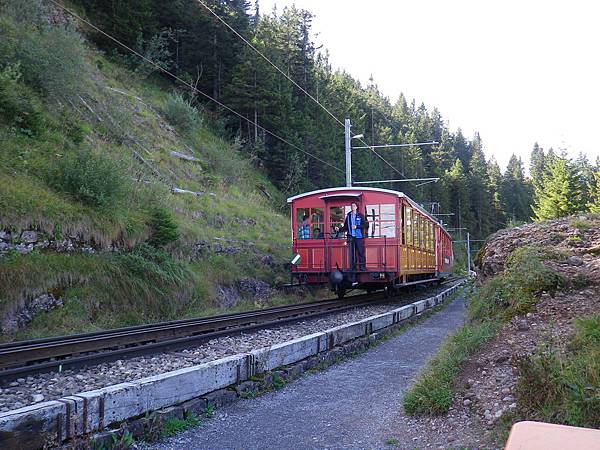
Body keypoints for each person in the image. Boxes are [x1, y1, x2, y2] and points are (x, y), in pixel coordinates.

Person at [340, 202, 368, 271]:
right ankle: (352, 268)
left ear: (356, 207)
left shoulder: (360, 215)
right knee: (352, 253)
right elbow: (346, 227)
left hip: (359, 237)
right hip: (351, 237)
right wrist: (339, 229)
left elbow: (365, 225)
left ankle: (362, 268)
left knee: (360, 252)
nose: (352, 207)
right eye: (351, 206)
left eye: (354, 206)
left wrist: (357, 226)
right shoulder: (349, 216)